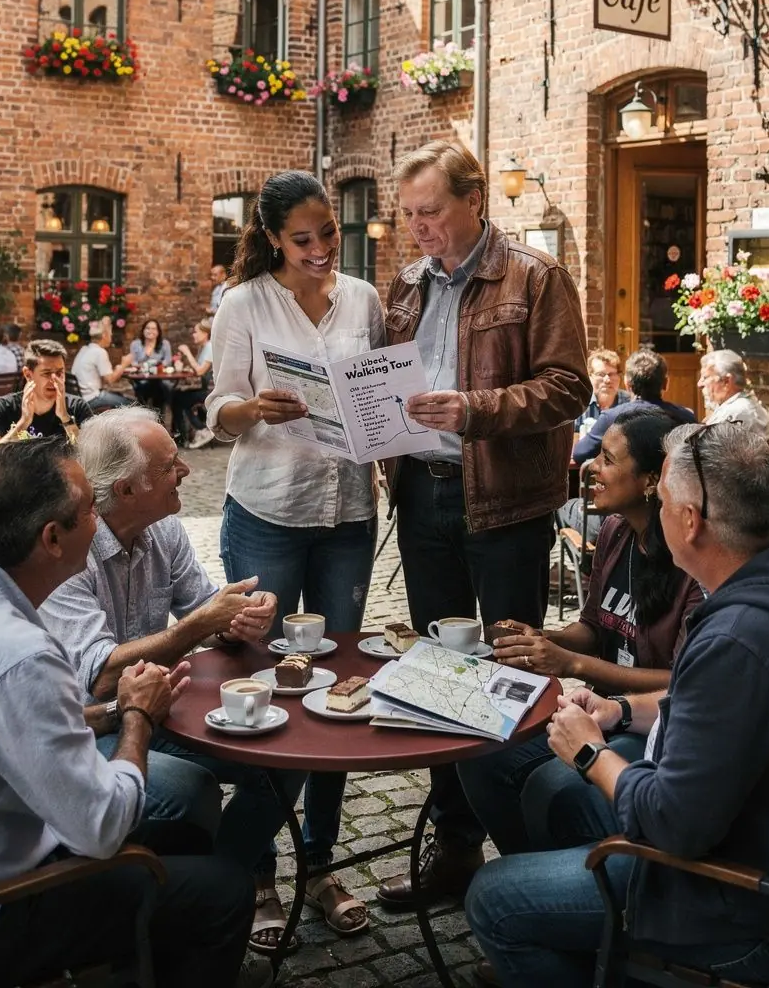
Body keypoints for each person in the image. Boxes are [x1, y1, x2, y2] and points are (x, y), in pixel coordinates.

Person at [465, 421, 769, 988]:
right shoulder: (751, 594)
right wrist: (621, 713)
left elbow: (674, 824)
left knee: (492, 897)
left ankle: (601, 957)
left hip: (728, 901)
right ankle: (589, 948)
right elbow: (700, 709)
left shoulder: (733, 638)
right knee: (545, 792)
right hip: (729, 841)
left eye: (664, 501)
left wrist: (591, 755)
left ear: (690, 521)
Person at [378, 139, 591, 910]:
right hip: (423, 496)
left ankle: (530, 856)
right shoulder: (405, 286)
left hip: (505, 500)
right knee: (438, 676)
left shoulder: (534, 275)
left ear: (474, 200)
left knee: (510, 673)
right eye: (408, 216)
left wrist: (477, 411)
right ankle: (457, 845)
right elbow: (386, 384)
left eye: (430, 211)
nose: (418, 229)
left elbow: (569, 387)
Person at [0, 438, 254, 988]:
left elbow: (33, 721)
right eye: (89, 510)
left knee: (187, 828)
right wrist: (138, 719)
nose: (99, 518)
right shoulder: (19, 652)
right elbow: (101, 827)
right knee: (223, 891)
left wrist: (117, 707)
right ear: (52, 539)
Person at [207, 169, 385, 949]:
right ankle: (259, 875)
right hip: (269, 510)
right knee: (267, 679)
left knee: (340, 686)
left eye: (329, 236)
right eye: (303, 239)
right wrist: (256, 406)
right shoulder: (243, 303)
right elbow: (218, 413)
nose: (319, 250)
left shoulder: (364, 299)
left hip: (348, 509)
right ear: (274, 237)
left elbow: (378, 391)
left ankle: (321, 862)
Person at [39, 407, 307, 896]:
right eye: (169, 466)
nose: (186, 470)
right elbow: (99, 677)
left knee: (290, 756)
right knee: (190, 790)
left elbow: (203, 610)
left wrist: (238, 619)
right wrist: (200, 623)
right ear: (124, 489)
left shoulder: (162, 528)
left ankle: (219, 884)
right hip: (91, 722)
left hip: (161, 707)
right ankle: (196, 897)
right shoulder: (71, 548)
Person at [456, 408, 702, 866]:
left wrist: (571, 666)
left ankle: (562, 889)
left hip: (641, 723)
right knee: (479, 753)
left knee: (551, 786)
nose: (591, 467)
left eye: (608, 459)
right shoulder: (614, 532)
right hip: (596, 707)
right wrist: (542, 640)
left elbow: (682, 683)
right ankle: (527, 870)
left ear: (651, 480)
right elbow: (593, 626)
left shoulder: (690, 559)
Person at [573, 348, 695, 466]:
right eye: (600, 374)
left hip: (626, 486)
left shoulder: (611, 417)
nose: (607, 380)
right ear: (666, 383)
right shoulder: (686, 418)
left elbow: (580, 454)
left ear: (627, 383)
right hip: (670, 486)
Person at [0, 338, 92, 455]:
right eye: (46, 373)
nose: (55, 380)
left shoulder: (77, 407)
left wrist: (65, 418)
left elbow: (92, 455)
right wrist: (23, 424)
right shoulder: (4, 407)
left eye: (59, 373)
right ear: (28, 374)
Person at [702, 348, 769, 437]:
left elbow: (710, 449)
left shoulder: (738, 412)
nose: (700, 383)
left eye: (705, 378)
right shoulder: (735, 407)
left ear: (726, 381)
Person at [72, 320, 133, 410]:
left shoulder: (84, 349)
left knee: (120, 396)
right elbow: (110, 380)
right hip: (92, 398)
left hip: (81, 397)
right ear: (104, 335)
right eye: (110, 335)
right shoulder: (99, 352)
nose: (111, 338)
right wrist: (124, 364)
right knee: (132, 405)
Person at [173, 318, 215, 447]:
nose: (193, 335)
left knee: (178, 398)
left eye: (196, 332)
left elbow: (201, 371)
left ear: (205, 333)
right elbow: (198, 369)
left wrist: (187, 353)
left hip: (210, 390)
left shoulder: (210, 347)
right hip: (204, 388)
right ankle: (183, 434)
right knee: (176, 396)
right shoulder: (203, 348)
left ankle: (201, 430)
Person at [574, 348, 630, 433]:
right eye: (601, 374)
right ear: (590, 377)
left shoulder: (630, 404)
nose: (607, 380)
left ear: (619, 377)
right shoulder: (578, 404)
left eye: (612, 374)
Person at [129, 317, 173, 412]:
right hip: (142, 380)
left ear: (158, 332)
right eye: (148, 328)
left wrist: (149, 366)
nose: (150, 331)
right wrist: (149, 362)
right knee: (144, 391)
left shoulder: (164, 344)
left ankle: (159, 419)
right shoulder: (135, 344)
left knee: (161, 389)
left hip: (161, 380)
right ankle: (146, 417)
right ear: (143, 330)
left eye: (154, 329)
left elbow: (168, 361)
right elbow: (133, 362)